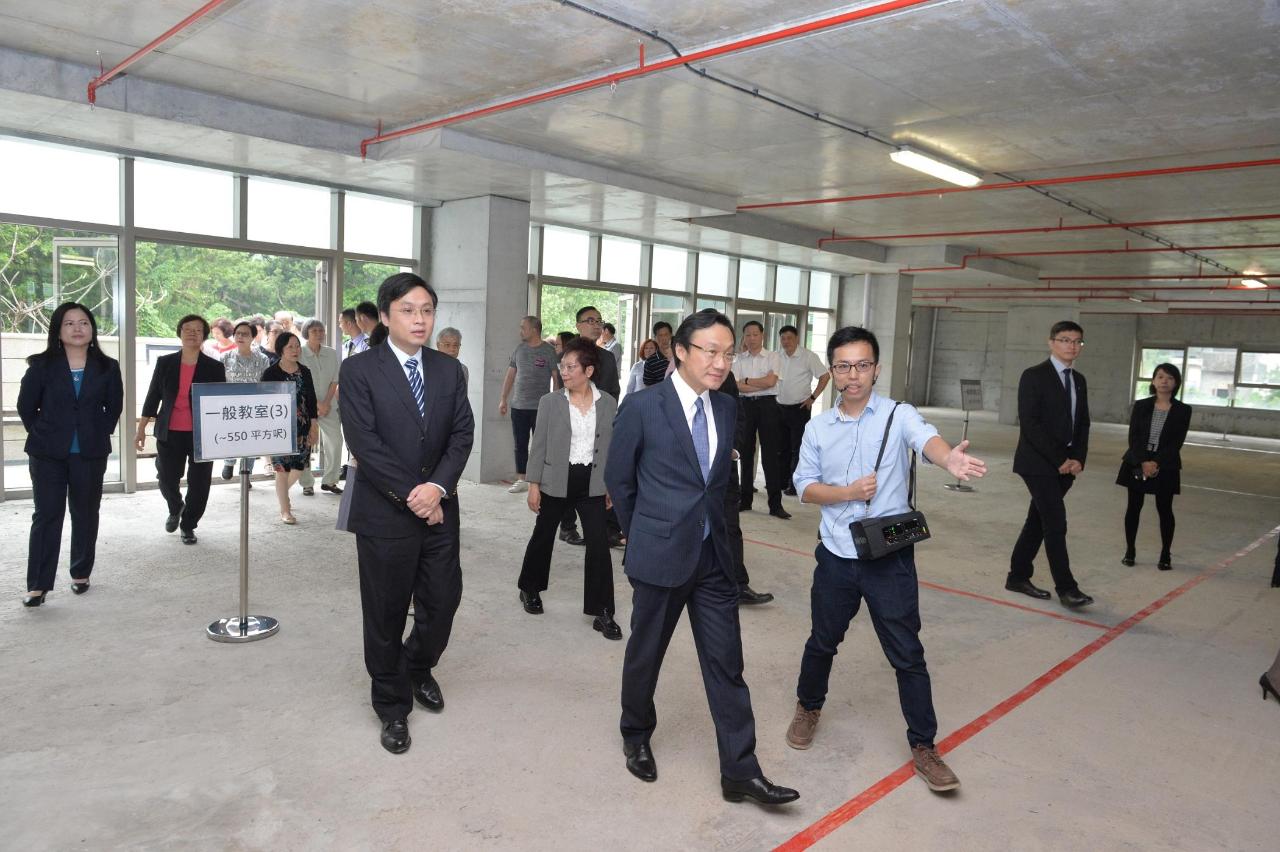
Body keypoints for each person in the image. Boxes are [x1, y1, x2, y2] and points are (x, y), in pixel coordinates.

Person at [606, 308, 799, 806]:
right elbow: (619, 480)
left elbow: (718, 484)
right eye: (710, 351)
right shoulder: (643, 406)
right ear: (681, 351)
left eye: (727, 353)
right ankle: (635, 734)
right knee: (646, 654)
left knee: (727, 663)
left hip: (713, 559)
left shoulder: (727, 407)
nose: (720, 362)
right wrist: (643, 536)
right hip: (660, 555)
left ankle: (740, 771)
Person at [785, 325, 985, 792]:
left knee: (907, 653)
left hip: (889, 554)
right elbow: (804, 487)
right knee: (822, 640)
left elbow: (928, 440)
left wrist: (949, 460)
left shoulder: (899, 415)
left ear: (876, 369)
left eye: (862, 365)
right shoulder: (818, 427)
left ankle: (924, 745)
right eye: (843, 366)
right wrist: (848, 493)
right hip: (836, 553)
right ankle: (808, 706)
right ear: (833, 371)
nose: (853, 375)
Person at [338, 272, 474, 755]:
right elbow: (365, 442)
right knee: (386, 610)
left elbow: (462, 434)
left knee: (443, 601)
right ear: (385, 315)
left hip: (439, 507)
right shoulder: (359, 370)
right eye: (408, 310)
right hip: (384, 511)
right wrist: (414, 496)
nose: (420, 320)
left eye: (427, 310)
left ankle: (417, 664)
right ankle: (392, 705)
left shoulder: (448, 370)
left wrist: (436, 489)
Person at [18, 302, 123, 606]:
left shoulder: (108, 366)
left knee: (85, 512)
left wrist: (97, 432)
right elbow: (26, 406)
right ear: (58, 330)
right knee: (47, 514)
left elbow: (113, 406)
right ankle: (38, 584)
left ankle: (81, 572)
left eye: (84, 322)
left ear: (92, 329)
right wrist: (44, 433)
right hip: (47, 453)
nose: (78, 328)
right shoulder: (41, 365)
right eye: (69, 323)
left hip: (90, 452)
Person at [517, 337, 621, 639]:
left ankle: (603, 611)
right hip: (556, 480)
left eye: (570, 367)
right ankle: (529, 588)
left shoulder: (608, 403)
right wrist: (533, 484)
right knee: (543, 535)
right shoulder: (550, 402)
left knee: (598, 545)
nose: (563, 372)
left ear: (588, 371)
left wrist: (610, 486)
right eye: (562, 366)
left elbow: (611, 448)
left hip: (592, 482)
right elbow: (538, 445)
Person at [1007, 321, 1094, 609]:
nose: (1072, 346)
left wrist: (1078, 458)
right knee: (1055, 522)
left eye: (1077, 341)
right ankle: (1067, 588)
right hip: (1038, 462)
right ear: (1051, 342)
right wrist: (1060, 459)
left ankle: (1017, 576)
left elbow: (1083, 422)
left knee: (1038, 521)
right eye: (1065, 340)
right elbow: (1030, 424)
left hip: (1067, 466)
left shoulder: (1079, 379)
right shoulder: (1033, 376)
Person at [136, 314, 227, 545]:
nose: (192, 333)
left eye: (198, 330)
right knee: (166, 477)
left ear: (204, 336)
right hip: (170, 431)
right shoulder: (165, 363)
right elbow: (153, 396)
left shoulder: (214, 367)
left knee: (200, 483)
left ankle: (188, 525)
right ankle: (176, 506)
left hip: (202, 434)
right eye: (187, 329)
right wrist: (141, 428)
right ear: (180, 333)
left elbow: (220, 403)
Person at [1117, 363, 1192, 570]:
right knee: (1133, 507)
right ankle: (1130, 551)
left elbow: (1176, 442)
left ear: (1176, 383)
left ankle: (1165, 554)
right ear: (1153, 381)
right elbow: (1134, 437)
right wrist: (1143, 461)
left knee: (1165, 509)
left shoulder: (1183, 410)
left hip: (1165, 463)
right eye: (1160, 377)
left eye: (1169, 377)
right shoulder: (1141, 406)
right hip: (1138, 459)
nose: (1164, 381)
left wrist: (1156, 462)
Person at [560, 306, 622, 547]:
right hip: (572, 422)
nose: (597, 325)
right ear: (578, 325)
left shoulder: (607, 357)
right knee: (569, 476)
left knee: (598, 475)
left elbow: (613, 391)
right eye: (590, 320)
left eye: (599, 321)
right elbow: (561, 389)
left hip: (600, 424)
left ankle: (604, 528)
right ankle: (567, 526)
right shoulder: (568, 356)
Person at [719, 371, 774, 606]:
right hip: (688, 474)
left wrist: (732, 451)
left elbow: (738, 417)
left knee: (730, 527)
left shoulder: (726, 377)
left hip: (724, 469)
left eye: (727, 354)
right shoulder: (679, 376)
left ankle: (738, 585)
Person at [262, 332, 319, 523]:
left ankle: (282, 494)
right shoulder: (271, 373)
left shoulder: (305, 371)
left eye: (297, 346)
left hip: (302, 427)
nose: (295, 350)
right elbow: (263, 401)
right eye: (290, 347)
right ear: (281, 350)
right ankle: (285, 510)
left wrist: (314, 425)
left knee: (299, 466)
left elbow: (311, 400)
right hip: (279, 428)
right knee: (281, 469)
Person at [735, 321, 789, 519]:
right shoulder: (738, 359)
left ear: (762, 335)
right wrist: (759, 383)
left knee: (770, 455)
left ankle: (775, 505)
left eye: (755, 334)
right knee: (746, 453)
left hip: (768, 406)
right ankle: (745, 500)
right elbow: (737, 385)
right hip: (745, 406)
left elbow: (771, 382)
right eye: (747, 335)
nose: (751, 338)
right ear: (744, 337)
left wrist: (747, 381)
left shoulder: (773, 356)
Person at [499, 316, 558, 494]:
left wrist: (556, 403)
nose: (520, 331)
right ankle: (522, 479)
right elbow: (510, 375)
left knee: (541, 445)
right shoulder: (519, 349)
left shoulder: (549, 351)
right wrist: (503, 398)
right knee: (520, 444)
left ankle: (541, 479)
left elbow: (556, 378)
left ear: (534, 330)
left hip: (541, 407)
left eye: (523, 327)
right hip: (519, 407)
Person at [776, 325, 830, 496]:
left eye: (789, 338)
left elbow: (825, 376)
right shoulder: (777, 356)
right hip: (779, 407)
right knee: (781, 447)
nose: (786, 341)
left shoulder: (808, 356)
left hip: (799, 408)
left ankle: (794, 484)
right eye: (783, 338)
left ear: (797, 339)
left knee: (797, 448)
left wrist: (813, 397)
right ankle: (781, 481)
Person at [220, 320, 273, 482]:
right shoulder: (225, 357)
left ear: (253, 337)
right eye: (238, 333)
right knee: (231, 436)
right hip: (231, 406)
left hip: (254, 406)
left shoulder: (263, 359)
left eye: (245, 334)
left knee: (251, 441)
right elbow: (219, 382)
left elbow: (266, 382)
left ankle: (246, 475)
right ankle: (229, 462)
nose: (240, 337)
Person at [298, 319, 343, 497]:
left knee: (336, 441)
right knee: (306, 444)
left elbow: (335, 380)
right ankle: (307, 483)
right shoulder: (299, 353)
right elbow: (301, 382)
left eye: (321, 330)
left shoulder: (331, 353)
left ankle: (330, 480)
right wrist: (317, 404)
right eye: (314, 331)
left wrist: (325, 403)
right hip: (305, 407)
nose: (319, 333)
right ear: (306, 333)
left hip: (329, 405)